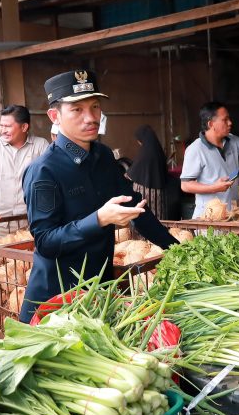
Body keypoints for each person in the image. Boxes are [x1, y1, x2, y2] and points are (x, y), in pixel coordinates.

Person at [20, 69, 177, 323]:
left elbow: (134, 204)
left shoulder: (102, 156)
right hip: (56, 303)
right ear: (54, 116)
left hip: (98, 296)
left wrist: (175, 249)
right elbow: (46, 242)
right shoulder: (43, 171)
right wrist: (99, 219)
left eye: (95, 106)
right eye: (77, 110)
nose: (91, 117)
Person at [0, 105, 49, 239]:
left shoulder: (40, 146)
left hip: (31, 222)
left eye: (7, 126)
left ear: (24, 127)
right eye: (1, 126)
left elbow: (50, 181)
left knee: (28, 259)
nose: (2, 130)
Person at [128, 125, 169, 219]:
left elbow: (133, 173)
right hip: (159, 192)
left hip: (144, 192)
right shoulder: (159, 151)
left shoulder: (144, 152)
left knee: (144, 217)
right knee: (158, 217)